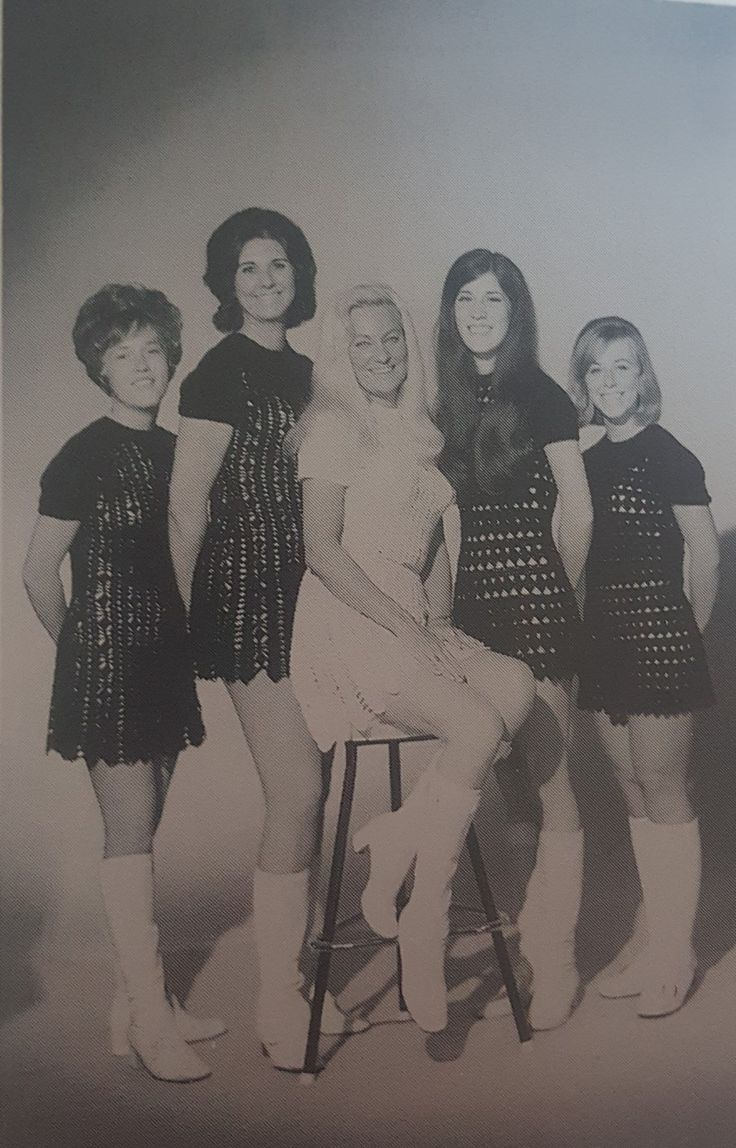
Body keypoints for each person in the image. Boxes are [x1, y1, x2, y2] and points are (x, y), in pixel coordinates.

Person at [288, 284, 535, 1033]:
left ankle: (397, 837)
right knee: (471, 726)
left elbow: (428, 545)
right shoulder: (333, 429)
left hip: (410, 615)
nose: (381, 354)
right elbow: (321, 550)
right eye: (362, 343)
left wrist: (444, 622)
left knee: (515, 685)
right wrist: (408, 627)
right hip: (349, 619)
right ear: (343, 355)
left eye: (391, 338)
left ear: (408, 343)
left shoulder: (418, 430)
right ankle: (424, 922)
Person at [168, 209, 362, 1072]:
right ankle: (278, 999)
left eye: (277, 263)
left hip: (314, 591)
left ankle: (298, 976)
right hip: (247, 595)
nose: (264, 279)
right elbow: (186, 506)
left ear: (299, 272)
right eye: (246, 267)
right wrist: (181, 623)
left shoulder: (318, 374)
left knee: (314, 792)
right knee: (299, 791)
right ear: (225, 283)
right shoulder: (216, 372)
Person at [23, 284, 222, 1083]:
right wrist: (81, 650)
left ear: (170, 358)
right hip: (108, 662)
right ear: (97, 369)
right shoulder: (81, 453)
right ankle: (149, 1022)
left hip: (164, 660)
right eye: (122, 354)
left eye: (152, 351)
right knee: (131, 836)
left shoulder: (178, 451)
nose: (142, 366)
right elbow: (37, 573)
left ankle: (138, 1002)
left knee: (145, 829)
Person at [435, 250, 593, 1029]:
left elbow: (580, 507)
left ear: (515, 308)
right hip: (475, 615)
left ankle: (555, 964)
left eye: (492, 298)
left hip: (535, 606)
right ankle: (529, 955)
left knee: (552, 783)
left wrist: (554, 593)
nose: (478, 311)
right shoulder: (453, 397)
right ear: (451, 311)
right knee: (510, 793)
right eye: (465, 298)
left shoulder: (541, 393)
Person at [569, 316, 719, 1017]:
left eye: (622, 367)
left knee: (664, 785)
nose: (611, 383)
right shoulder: (584, 462)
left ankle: (675, 954)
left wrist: (690, 634)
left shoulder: (671, 455)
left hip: (662, 638)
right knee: (630, 786)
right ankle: (655, 936)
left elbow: (706, 554)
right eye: (597, 370)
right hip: (604, 642)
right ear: (585, 383)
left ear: (643, 376)